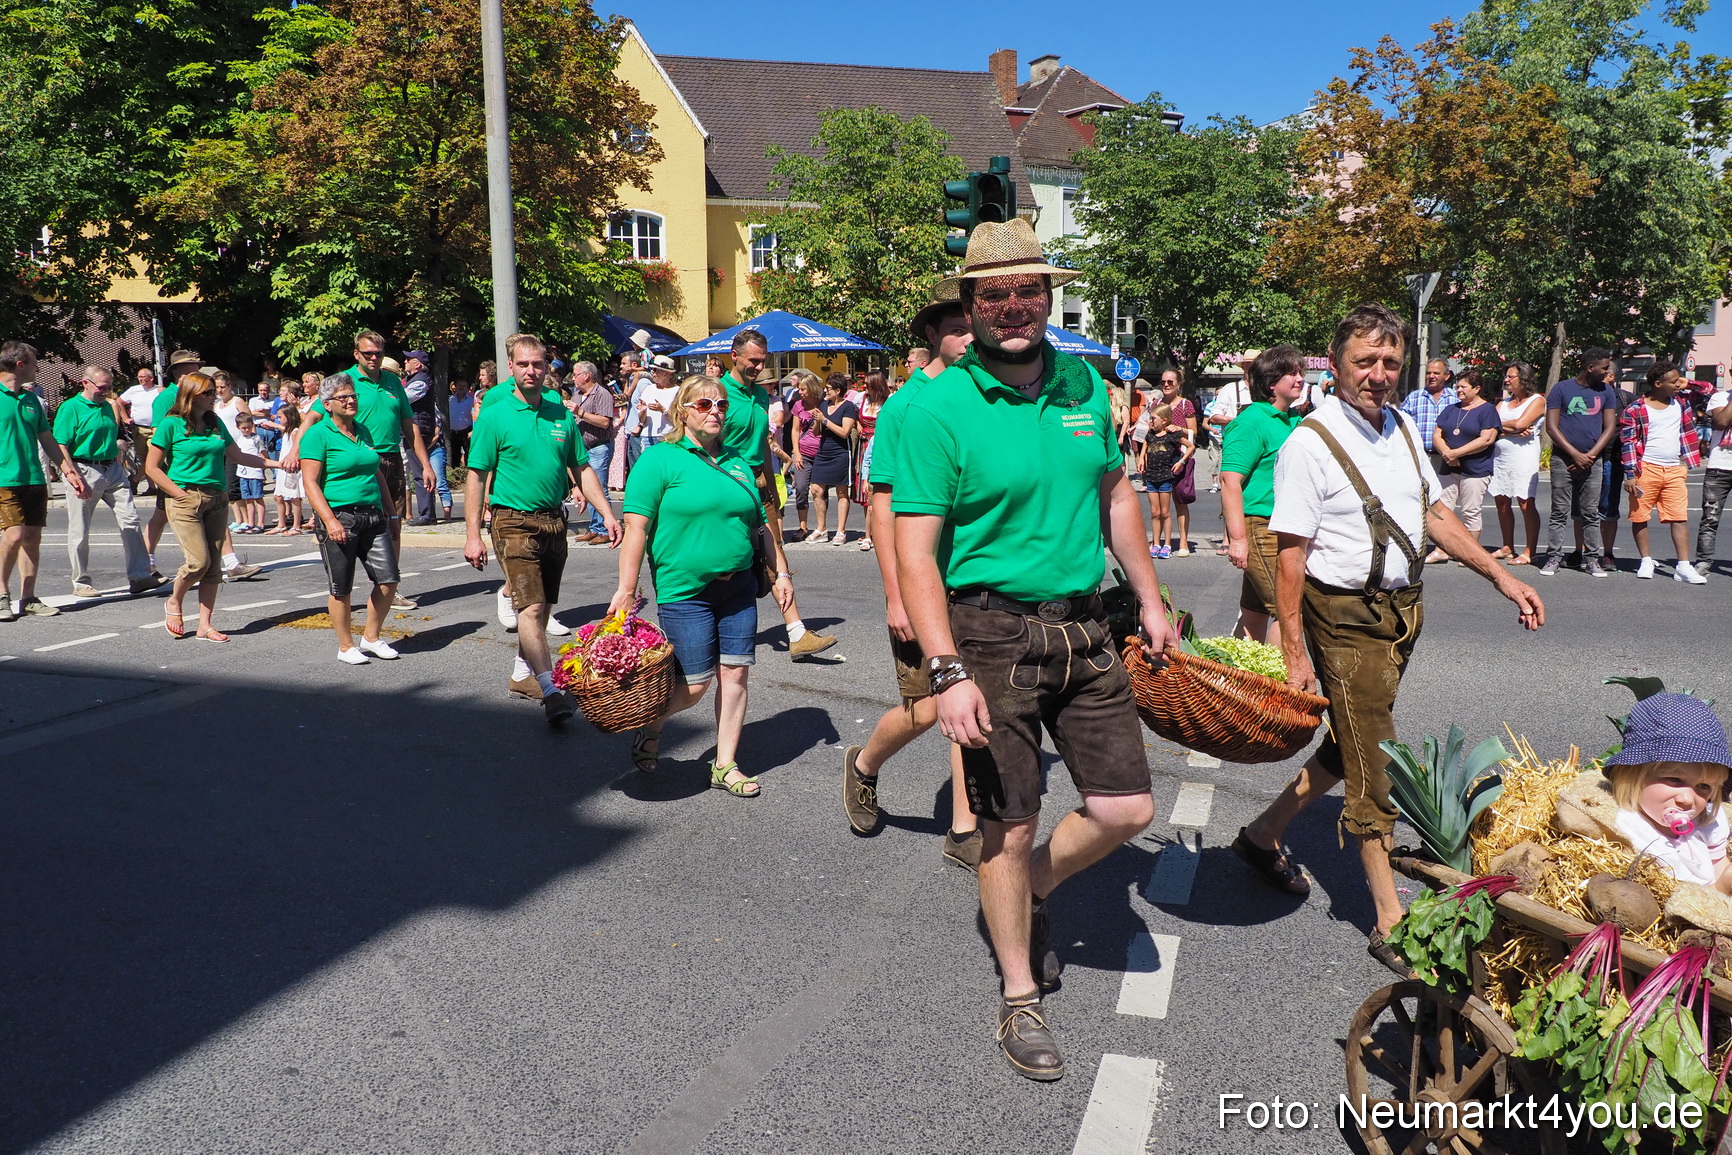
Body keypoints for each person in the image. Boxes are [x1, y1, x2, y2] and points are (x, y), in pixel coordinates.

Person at [892, 219, 1176, 1081]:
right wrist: (943, 671)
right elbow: (913, 550)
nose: (1013, 308)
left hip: (1085, 626)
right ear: (970, 304)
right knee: (1007, 825)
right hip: (986, 633)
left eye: (1028, 291)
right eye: (994, 295)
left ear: (1048, 297)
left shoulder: (1085, 385)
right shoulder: (937, 406)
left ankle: (1034, 892)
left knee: (1128, 810)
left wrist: (1153, 597)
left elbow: (1115, 492)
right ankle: (1020, 994)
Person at [1234, 304, 1544, 970]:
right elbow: (1290, 556)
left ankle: (1262, 835)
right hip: (1341, 616)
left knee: (1350, 738)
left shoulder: (1404, 427)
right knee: (1375, 758)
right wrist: (1293, 655)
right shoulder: (1307, 444)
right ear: (1337, 362)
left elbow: (1436, 514)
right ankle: (1386, 915)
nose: (1378, 374)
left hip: (1403, 612)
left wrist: (1500, 576)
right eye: (1365, 361)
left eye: (1390, 361)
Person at [845, 286, 982, 870]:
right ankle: (864, 764)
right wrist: (896, 594)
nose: (970, 337)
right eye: (958, 328)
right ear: (931, 335)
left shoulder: (980, 395)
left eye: (974, 325)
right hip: (921, 582)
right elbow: (882, 508)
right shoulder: (906, 407)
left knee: (973, 702)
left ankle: (964, 827)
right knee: (926, 708)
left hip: (977, 580)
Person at [610, 375, 795, 793]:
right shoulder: (660, 461)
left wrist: (781, 573)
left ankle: (725, 764)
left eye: (722, 405)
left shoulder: (737, 462)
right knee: (693, 685)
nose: (716, 412)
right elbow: (636, 528)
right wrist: (626, 586)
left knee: (735, 675)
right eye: (704, 404)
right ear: (683, 411)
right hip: (685, 591)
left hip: (738, 590)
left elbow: (761, 527)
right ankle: (651, 727)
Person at [465, 333, 619, 724]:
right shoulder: (495, 416)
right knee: (531, 608)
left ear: (546, 367)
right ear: (511, 368)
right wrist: (471, 535)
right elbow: (476, 475)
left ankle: (522, 675)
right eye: (523, 364)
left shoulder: (560, 413)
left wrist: (608, 512)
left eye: (537, 364)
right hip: (512, 520)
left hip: (554, 519)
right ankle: (551, 691)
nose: (531, 371)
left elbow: (582, 467)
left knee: (546, 604)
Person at [290, 331, 436, 608]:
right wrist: (295, 449)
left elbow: (409, 425)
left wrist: (425, 464)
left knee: (393, 525)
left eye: (378, 353)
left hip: (390, 458)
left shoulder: (393, 381)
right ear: (356, 354)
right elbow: (313, 417)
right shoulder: (345, 382)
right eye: (367, 353)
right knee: (356, 525)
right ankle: (348, 586)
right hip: (353, 457)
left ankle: (390, 585)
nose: (373, 358)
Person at [720, 330, 837, 660]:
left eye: (763, 360)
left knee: (775, 554)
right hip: (726, 487)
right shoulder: (718, 393)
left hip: (759, 486)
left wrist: (772, 488)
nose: (759, 366)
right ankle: (709, 628)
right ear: (735, 356)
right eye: (753, 360)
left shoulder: (760, 395)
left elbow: (761, 443)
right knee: (728, 559)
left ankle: (797, 632)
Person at [145, 372, 278, 642]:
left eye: (213, 392)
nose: (213, 396)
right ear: (191, 395)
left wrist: (276, 464)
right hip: (185, 500)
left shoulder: (215, 422)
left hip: (217, 499)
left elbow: (237, 456)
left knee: (214, 567)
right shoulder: (171, 424)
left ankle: (205, 625)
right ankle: (175, 600)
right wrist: (178, 493)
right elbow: (152, 468)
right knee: (198, 562)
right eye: (207, 392)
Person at [302, 373, 403, 663]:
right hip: (339, 516)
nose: (350, 401)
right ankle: (346, 646)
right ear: (327, 404)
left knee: (389, 579)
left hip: (372, 515)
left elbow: (377, 473)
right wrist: (330, 521)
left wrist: (392, 512)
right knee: (341, 587)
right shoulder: (317, 434)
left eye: (353, 396)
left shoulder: (363, 431)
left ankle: (371, 637)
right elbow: (310, 483)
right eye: (343, 397)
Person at [1219, 345, 1307, 646]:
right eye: (1292, 373)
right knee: (1289, 610)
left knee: (1255, 610)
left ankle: (1246, 682)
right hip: (1260, 527)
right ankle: (1280, 685)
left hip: (1283, 526)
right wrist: (1238, 539)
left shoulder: (1292, 419)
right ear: (1272, 383)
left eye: (1301, 372)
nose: (1300, 378)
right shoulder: (1252, 420)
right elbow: (1229, 480)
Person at [1601, 694, 1732, 891]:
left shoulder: (1707, 822)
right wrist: (1722, 886)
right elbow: (1671, 903)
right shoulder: (1630, 832)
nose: (1687, 799)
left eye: (1703, 786)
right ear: (1632, 775)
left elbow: (1719, 866)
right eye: (1675, 780)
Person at [1, 341, 87, 620]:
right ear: (20, 365)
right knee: (13, 535)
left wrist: (68, 471)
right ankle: (2, 596)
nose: (39, 368)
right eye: (35, 363)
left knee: (32, 538)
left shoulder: (31, 401)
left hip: (34, 477)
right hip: (4, 478)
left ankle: (29, 598)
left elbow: (46, 438)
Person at [53, 365, 156, 598]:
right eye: (102, 387)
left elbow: (116, 435)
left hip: (112, 469)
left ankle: (139, 576)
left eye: (109, 387)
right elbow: (60, 444)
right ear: (85, 383)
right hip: (83, 469)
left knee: (131, 519)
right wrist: (72, 474)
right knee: (80, 528)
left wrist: (119, 457)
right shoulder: (70, 408)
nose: (107, 391)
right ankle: (81, 582)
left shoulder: (110, 406)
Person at [1621, 361, 1707, 584]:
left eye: (1679, 380)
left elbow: (1708, 389)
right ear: (1658, 384)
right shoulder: (1636, 409)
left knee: (1679, 516)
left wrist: (1688, 381)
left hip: (1674, 469)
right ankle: (1646, 560)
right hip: (1645, 468)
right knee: (1640, 516)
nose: (1678, 385)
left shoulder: (1682, 403)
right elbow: (1628, 441)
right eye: (1673, 381)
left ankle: (1683, 566)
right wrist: (1630, 473)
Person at [1539, 348, 1619, 578]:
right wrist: (1575, 454)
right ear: (1589, 367)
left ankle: (1592, 560)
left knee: (1591, 512)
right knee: (1559, 511)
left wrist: (1590, 456)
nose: (1607, 372)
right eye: (1604, 368)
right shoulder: (1561, 389)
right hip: (1562, 459)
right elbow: (1552, 427)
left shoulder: (1606, 391)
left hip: (1592, 461)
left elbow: (1609, 427)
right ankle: (1554, 557)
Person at [1424, 368, 1501, 562]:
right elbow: (1437, 434)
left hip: (1475, 469)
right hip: (1449, 467)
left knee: (1470, 510)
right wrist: (1447, 454)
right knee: (1442, 508)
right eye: (1457, 386)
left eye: (1463, 387)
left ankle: (1470, 552)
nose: (1458, 390)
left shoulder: (1487, 410)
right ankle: (1442, 550)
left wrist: (1457, 453)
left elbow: (1486, 439)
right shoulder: (1452, 409)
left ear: (1477, 388)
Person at [1489, 362, 1545, 565]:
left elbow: (1521, 423)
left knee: (1525, 502)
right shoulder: (1502, 403)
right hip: (1500, 457)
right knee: (1501, 501)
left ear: (1524, 378)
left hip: (1523, 456)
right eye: (1506, 376)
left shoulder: (1537, 400)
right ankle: (1507, 546)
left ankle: (1530, 550)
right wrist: (1510, 429)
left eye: (1511, 376)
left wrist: (1507, 427)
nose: (1506, 380)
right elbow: (1488, 424)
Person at [807, 374, 858, 545]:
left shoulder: (848, 407)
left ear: (838, 390)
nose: (825, 391)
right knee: (816, 490)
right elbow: (816, 432)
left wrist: (825, 420)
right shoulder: (824, 405)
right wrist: (817, 420)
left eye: (828, 389)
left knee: (842, 491)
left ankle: (841, 531)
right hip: (823, 452)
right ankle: (821, 529)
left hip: (840, 452)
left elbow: (844, 433)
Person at [1153, 368, 1201, 555]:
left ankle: (1183, 542)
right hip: (1159, 458)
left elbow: (1194, 432)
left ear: (1179, 384)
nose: (1166, 385)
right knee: (1159, 505)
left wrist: (1177, 428)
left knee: (1180, 501)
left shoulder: (1185, 405)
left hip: (1179, 457)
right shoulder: (1156, 403)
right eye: (1163, 381)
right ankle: (1160, 541)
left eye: (1170, 382)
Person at [568, 361, 616, 545]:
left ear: (586, 375)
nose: (573, 378)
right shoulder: (578, 394)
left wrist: (580, 412)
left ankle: (604, 529)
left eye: (575, 374)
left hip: (599, 446)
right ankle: (595, 527)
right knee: (588, 488)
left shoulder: (601, 393)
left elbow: (605, 422)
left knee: (600, 488)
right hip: (584, 448)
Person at [401, 350, 450, 525]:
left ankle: (427, 515)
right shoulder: (413, 380)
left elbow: (404, 399)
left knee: (421, 472)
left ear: (418, 364)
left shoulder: (421, 381)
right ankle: (428, 513)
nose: (405, 362)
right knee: (419, 471)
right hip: (415, 428)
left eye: (409, 359)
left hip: (418, 429)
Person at [1137, 406, 1190, 558]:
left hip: (1166, 476)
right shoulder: (1151, 435)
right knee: (1155, 512)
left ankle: (1167, 544)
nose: (1151, 421)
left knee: (1165, 512)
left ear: (1164, 420)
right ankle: (1156, 543)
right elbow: (1146, 444)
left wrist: (1181, 461)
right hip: (1151, 477)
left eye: (1154, 418)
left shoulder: (1171, 435)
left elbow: (1190, 446)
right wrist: (1141, 458)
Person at [1695, 385, 1732, 572]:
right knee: (1710, 517)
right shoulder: (1719, 398)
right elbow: (1721, 422)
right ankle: (1704, 561)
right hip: (1720, 466)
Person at [853, 371, 888, 551]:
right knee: (864, 489)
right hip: (863, 444)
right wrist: (858, 425)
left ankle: (878, 530)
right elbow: (853, 415)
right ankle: (869, 530)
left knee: (879, 488)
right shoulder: (862, 399)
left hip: (878, 444)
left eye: (868, 383)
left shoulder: (886, 402)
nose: (865, 386)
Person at [1399, 358, 1455, 472]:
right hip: (1420, 457)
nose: (1431, 376)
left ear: (1446, 376)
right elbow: (1400, 426)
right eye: (1428, 373)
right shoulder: (1413, 398)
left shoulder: (1456, 399)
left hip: (1448, 460)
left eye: (1436, 373)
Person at [786, 370, 823, 539]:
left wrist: (819, 418)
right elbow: (794, 430)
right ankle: (803, 527)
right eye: (799, 389)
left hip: (822, 454)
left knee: (819, 491)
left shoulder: (823, 404)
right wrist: (796, 452)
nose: (800, 392)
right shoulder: (798, 405)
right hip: (804, 454)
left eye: (803, 389)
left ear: (811, 388)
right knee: (801, 488)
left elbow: (821, 430)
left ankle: (821, 527)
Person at [119, 366, 162, 491]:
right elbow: (119, 402)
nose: (141, 380)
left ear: (151, 378)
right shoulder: (134, 390)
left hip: (155, 429)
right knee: (144, 458)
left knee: (154, 458)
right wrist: (125, 418)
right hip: (139, 429)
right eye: (139, 377)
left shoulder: (159, 391)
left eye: (144, 377)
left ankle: (136, 478)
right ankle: (152, 487)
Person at [270, 405, 306, 534]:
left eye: (280, 417)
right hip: (282, 468)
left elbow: (299, 449)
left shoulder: (295, 432)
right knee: (278, 496)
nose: (278, 419)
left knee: (294, 497)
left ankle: (296, 525)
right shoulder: (286, 431)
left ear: (289, 417)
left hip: (292, 469)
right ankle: (281, 524)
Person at [232, 411, 268, 533]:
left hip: (255, 472)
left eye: (248, 427)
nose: (246, 430)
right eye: (243, 428)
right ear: (238, 428)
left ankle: (261, 523)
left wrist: (263, 470)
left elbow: (263, 454)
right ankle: (250, 522)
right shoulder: (239, 439)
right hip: (243, 472)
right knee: (248, 499)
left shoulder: (256, 438)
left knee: (258, 497)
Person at [448, 378, 473, 467]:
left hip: (467, 432)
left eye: (464, 386)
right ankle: (456, 475)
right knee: (454, 456)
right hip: (453, 432)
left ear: (467, 388)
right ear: (455, 387)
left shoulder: (471, 401)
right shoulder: (449, 400)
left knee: (469, 454)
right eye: (459, 386)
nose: (461, 388)